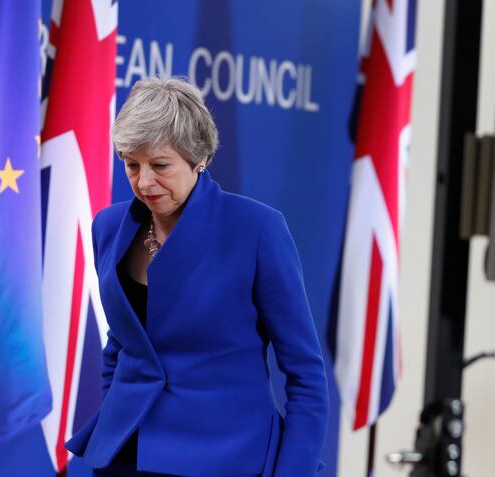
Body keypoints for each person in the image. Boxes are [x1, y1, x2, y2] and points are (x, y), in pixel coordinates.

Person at [65, 77, 328, 476]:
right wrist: (112, 417)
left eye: (160, 165)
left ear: (198, 158)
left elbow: (305, 374)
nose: (144, 182)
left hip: (224, 457)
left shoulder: (256, 229)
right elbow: (121, 343)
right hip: (124, 453)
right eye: (131, 165)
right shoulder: (108, 226)